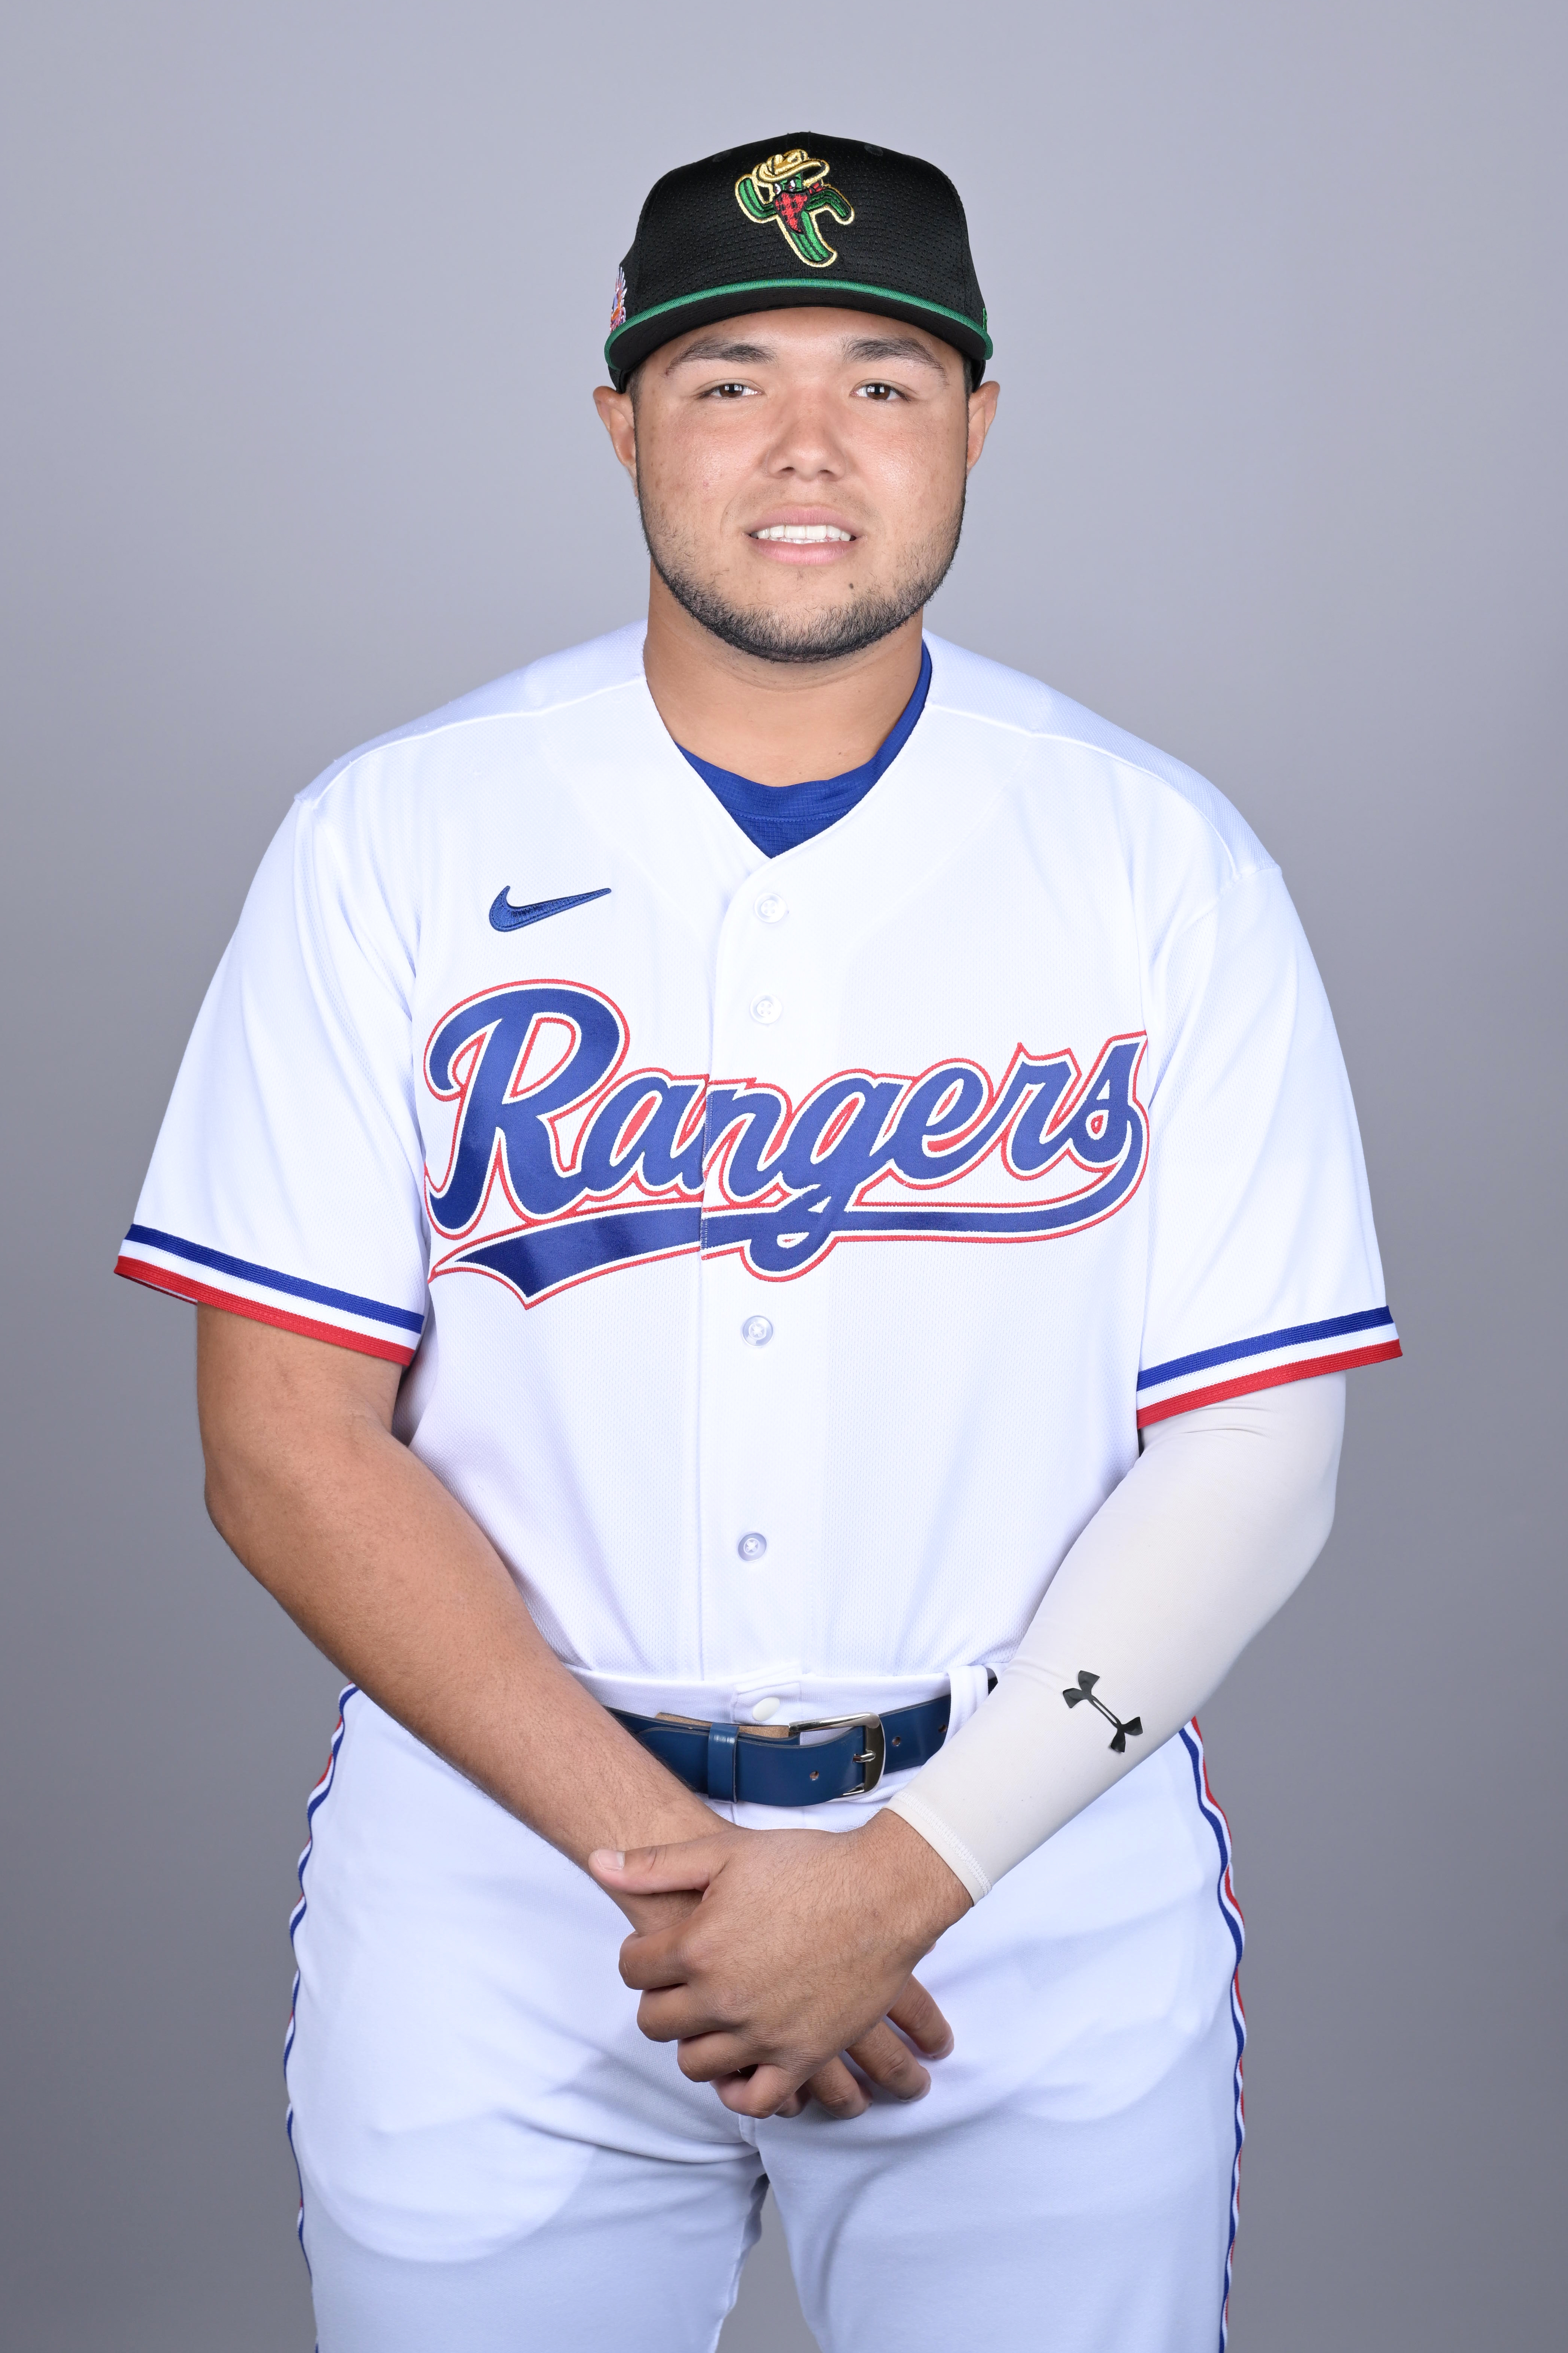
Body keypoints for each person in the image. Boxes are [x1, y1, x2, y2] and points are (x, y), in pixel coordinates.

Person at [117, 134, 1400, 2353]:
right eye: (726, 377)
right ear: (619, 421)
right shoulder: (391, 841)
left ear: (976, 425)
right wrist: (679, 1881)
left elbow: (1254, 1455)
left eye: (883, 378)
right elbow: (287, 1443)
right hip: (501, 1880)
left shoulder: (1157, 860)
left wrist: (908, 1873)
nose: (807, 443)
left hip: (1026, 1863)